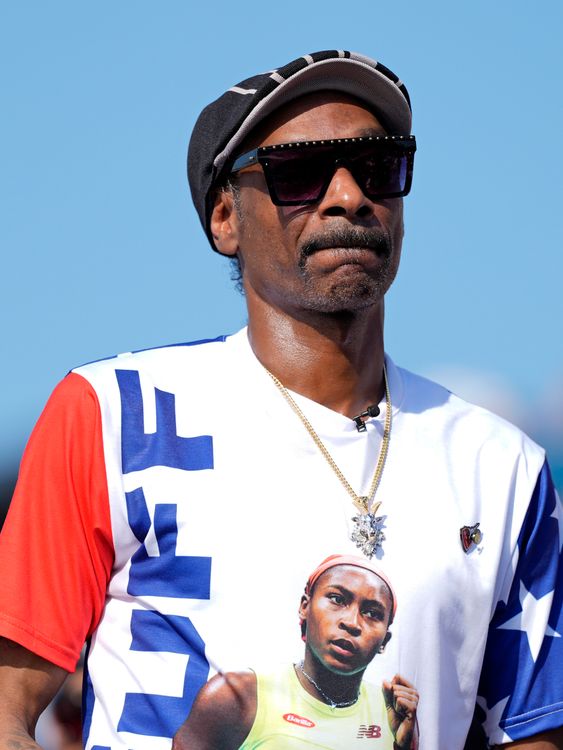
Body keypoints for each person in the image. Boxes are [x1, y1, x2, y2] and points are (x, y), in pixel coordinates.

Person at [0, 50, 561, 750]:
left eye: (379, 168)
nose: (348, 196)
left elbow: (530, 736)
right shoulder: (114, 415)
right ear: (224, 218)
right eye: (299, 173)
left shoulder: (501, 467)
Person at [173, 554, 419, 749]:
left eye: (372, 613)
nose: (352, 622)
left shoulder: (392, 711)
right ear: (305, 606)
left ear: (384, 640)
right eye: (337, 599)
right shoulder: (238, 697)